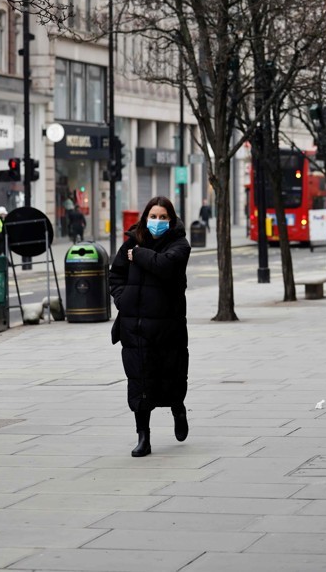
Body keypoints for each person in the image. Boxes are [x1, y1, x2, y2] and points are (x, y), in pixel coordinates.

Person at [109, 196, 192, 457]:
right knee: (139, 380)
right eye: (153, 216)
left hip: (168, 325)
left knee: (171, 375)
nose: (157, 221)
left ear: (171, 219)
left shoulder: (179, 244)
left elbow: (165, 266)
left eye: (163, 217)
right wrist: (123, 300)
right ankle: (143, 437)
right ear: (145, 217)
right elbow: (116, 274)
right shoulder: (131, 243)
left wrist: (140, 254)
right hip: (135, 325)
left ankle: (178, 408)